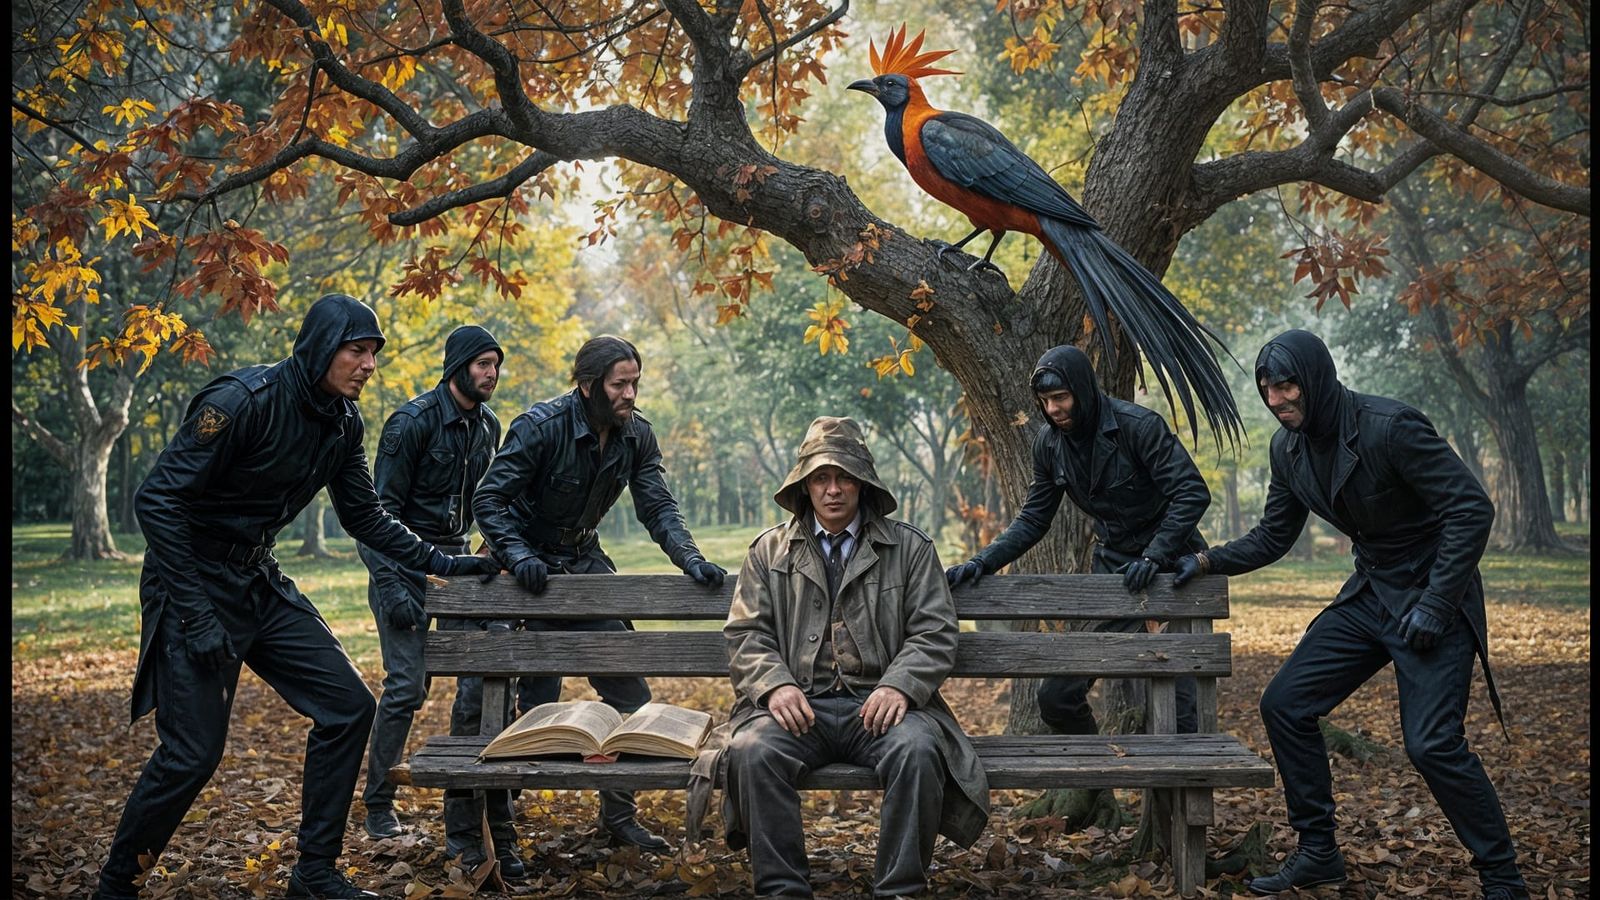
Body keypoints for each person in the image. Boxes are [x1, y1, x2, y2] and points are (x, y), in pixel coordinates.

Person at [93, 294, 500, 900]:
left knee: (349, 708)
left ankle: (314, 872)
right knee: (192, 754)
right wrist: (198, 615)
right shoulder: (240, 403)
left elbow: (366, 516)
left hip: (258, 579)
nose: (368, 365)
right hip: (191, 585)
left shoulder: (343, 422)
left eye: (373, 354)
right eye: (356, 351)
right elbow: (157, 501)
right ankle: (116, 884)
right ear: (320, 348)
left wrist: (444, 562)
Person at [1172, 329, 1526, 900]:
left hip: (1434, 593)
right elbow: (1272, 537)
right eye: (1267, 389)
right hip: (1370, 592)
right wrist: (1207, 559)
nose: (1277, 399)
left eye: (1287, 385)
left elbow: (1471, 508)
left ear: (1314, 376)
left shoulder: (1391, 427)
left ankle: (1504, 879)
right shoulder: (1286, 451)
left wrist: (1437, 603)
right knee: (1285, 704)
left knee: (1432, 745)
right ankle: (1318, 854)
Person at [472, 334, 726, 854]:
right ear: (588, 386)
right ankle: (502, 831)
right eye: (619, 384)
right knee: (532, 705)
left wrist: (691, 559)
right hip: (524, 573)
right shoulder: (540, 427)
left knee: (633, 695)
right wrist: (518, 556)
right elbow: (489, 498)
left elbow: (658, 507)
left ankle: (619, 817)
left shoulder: (637, 436)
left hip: (585, 566)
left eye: (635, 382)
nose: (630, 393)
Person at [721, 415, 991, 898]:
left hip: (881, 709)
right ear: (804, 487)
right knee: (751, 750)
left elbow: (934, 631)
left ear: (863, 485)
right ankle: (783, 890)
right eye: (821, 478)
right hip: (801, 709)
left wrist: (899, 685)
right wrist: (774, 685)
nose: (833, 490)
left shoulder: (909, 548)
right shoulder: (768, 551)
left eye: (844, 477)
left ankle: (900, 890)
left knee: (918, 749)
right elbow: (746, 633)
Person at [945, 344, 1207, 735]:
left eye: (1060, 397)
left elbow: (1191, 493)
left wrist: (1155, 556)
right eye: (1045, 400)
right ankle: (1097, 775)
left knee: (1181, 715)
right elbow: (1034, 519)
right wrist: (983, 561)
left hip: (1172, 565)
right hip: (1115, 571)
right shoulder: (1049, 445)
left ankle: (1171, 785)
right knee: (1058, 696)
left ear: (1082, 390)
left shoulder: (1138, 426)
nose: (1052, 409)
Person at [355, 327, 508, 861]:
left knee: (476, 686)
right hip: (403, 561)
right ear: (459, 366)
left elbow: (488, 498)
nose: (491, 374)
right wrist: (393, 583)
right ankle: (378, 803)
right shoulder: (411, 423)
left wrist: (496, 545)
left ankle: (467, 806)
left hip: (461, 563)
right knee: (406, 687)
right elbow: (375, 518)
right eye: (484, 364)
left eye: (496, 365)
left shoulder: (488, 425)